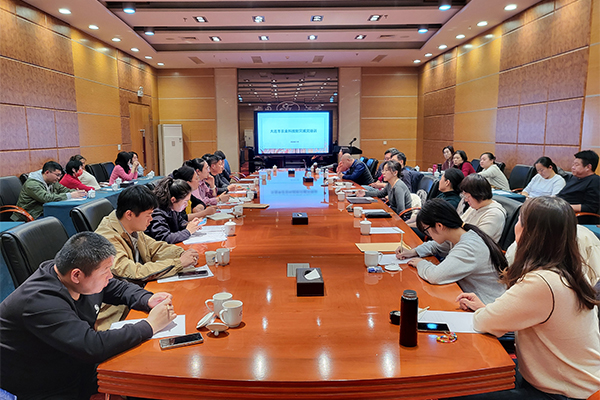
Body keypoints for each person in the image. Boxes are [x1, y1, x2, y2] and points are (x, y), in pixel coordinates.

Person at [0, 232, 176, 400]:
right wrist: (150, 325)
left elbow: (118, 288)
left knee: (151, 374)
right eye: (105, 270)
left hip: (74, 363)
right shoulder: (40, 301)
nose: (110, 276)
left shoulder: (74, 275)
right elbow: (92, 346)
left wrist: (147, 299)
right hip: (43, 384)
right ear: (76, 275)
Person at [456, 197, 600, 399]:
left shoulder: (542, 281)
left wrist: (485, 312)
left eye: (519, 221)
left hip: (563, 390)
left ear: (528, 232)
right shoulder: (572, 270)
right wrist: (485, 308)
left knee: (457, 390)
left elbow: (484, 322)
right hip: (574, 380)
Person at [95, 185, 198, 328]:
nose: (151, 219)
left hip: (138, 295)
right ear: (129, 214)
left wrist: (180, 253)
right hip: (119, 310)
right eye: (148, 215)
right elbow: (133, 272)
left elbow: (155, 247)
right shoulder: (107, 238)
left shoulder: (130, 226)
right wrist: (179, 263)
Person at [396, 198, 507, 305]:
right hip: (471, 297)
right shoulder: (460, 234)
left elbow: (435, 276)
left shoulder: (468, 247)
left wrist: (420, 263)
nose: (428, 235)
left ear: (439, 226)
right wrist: (413, 252)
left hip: (486, 304)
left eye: (427, 231)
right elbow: (435, 246)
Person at [12, 160, 86, 221]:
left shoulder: (52, 181)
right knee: (62, 219)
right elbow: (46, 198)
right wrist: (70, 195)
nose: (59, 178)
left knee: (68, 216)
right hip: (31, 214)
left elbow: (63, 189)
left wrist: (77, 192)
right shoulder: (32, 184)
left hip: (44, 210)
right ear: (47, 172)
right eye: (57, 175)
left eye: (60, 175)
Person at [145, 177, 203, 244]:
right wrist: (188, 231)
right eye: (185, 201)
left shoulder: (172, 208)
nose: (186, 205)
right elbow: (164, 238)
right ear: (173, 200)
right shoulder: (157, 213)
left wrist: (190, 225)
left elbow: (180, 222)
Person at [459, 174, 506, 243]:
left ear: (479, 195)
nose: (466, 200)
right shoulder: (476, 205)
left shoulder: (494, 214)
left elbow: (476, 241)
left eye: (468, 196)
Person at [557, 150, 600, 225]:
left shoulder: (595, 181)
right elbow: (562, 195)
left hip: (570, 215)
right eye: (573, 164)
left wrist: (564, 206)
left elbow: (590, 207)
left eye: (576, 165)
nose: (573, 167)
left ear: (588, 167)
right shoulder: (574, 178)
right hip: (559, 209)